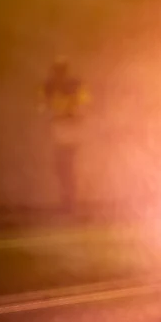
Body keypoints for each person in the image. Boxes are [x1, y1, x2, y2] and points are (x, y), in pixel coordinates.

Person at [39, 57, 90, 213]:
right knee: (63, 168)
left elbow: (83, 107)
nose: (59, 73)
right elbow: (42, 108)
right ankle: (68, 202)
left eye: (61, 69)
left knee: (66, 167)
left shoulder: (73, 85)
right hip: (60, 133)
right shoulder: (49, 87)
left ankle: (70, 203)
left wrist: (69, 114)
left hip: (69, 133)